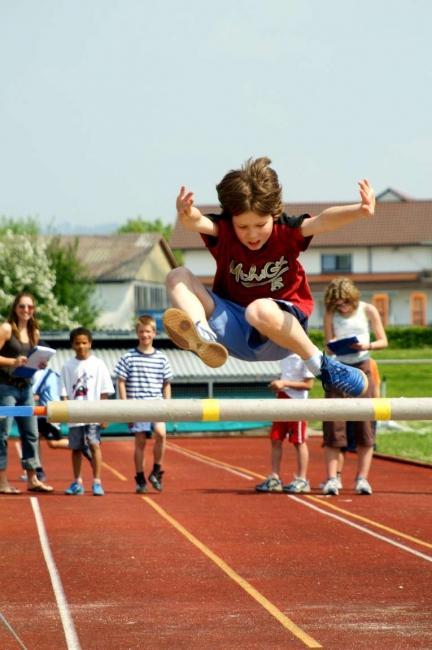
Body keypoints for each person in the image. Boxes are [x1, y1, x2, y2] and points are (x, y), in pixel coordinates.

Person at [163, 157, 375, 400]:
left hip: (280, 331)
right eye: (243, 227)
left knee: (259, 309)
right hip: (230, 327)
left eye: (260, 225)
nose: (252, 234)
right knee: (177, 275)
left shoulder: (286, 231)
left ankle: (321, 366)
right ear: (232, 220)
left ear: (273, 215)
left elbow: (323, 221)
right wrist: (186, 213)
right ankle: (202, 336)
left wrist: (358, 210)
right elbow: (196, 222)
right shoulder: (224, 231)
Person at [321, 278, 388, 496]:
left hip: (362, 367)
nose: (341, 307)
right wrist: (334, 345)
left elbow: (383, 341)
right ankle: (333, 478)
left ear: (353, 298)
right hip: (339, 368)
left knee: (365, 425)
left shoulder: (368, 310)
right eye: (337, 304)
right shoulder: (331, 313)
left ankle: (362, 479)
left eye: (344, 303)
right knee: (334, 424)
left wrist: (365, 345)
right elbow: (327, 345)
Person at [0, 292, 53, 494]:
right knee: (2, 433)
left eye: (30, 307)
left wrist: (40, 363)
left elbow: (31, 362)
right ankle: (2, 481)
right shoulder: (6, 329)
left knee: (31, 433)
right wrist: (13, 362)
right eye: (22, 306)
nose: (26, 310)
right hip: (6, 388)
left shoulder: (34, 332)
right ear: (15, 308)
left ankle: (32, 479)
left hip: (26, 388)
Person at [114, 315, 173, 494]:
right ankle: (140, 477)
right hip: (136, 404)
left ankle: (156, 470)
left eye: (148, 331)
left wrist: (168, 404)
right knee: (140, 441)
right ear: (137, 333)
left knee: (161, 434)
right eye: (141, 331)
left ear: (154, 333)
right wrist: (125, 405)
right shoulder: (128, 357)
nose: (144, 335)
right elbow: (121, 381)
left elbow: (166, 383)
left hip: (156, 404)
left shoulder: (162, 358)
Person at [61, 327, 114, 496]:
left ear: (90, 343)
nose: (81, 346)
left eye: (84, 342)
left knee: (94, 445)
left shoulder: (98, 364)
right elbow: (64, 392)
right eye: (77, 343)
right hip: (75, 413)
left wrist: (104, 414)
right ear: (72, 345)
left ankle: (97, 481)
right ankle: (77, 482)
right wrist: (66, 411)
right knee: (76, 448)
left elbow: (105, 391)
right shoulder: (67, 366)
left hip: (93, 412)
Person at [255, 354, 314, 494]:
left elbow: (309, 384)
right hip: (282, 399)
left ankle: (302, 479)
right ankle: (275, 478)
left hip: (297, 403)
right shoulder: (283, 351)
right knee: (275, 439)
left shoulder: (307, 354)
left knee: (298, 441)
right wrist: (279, 384)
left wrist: (284, 383)